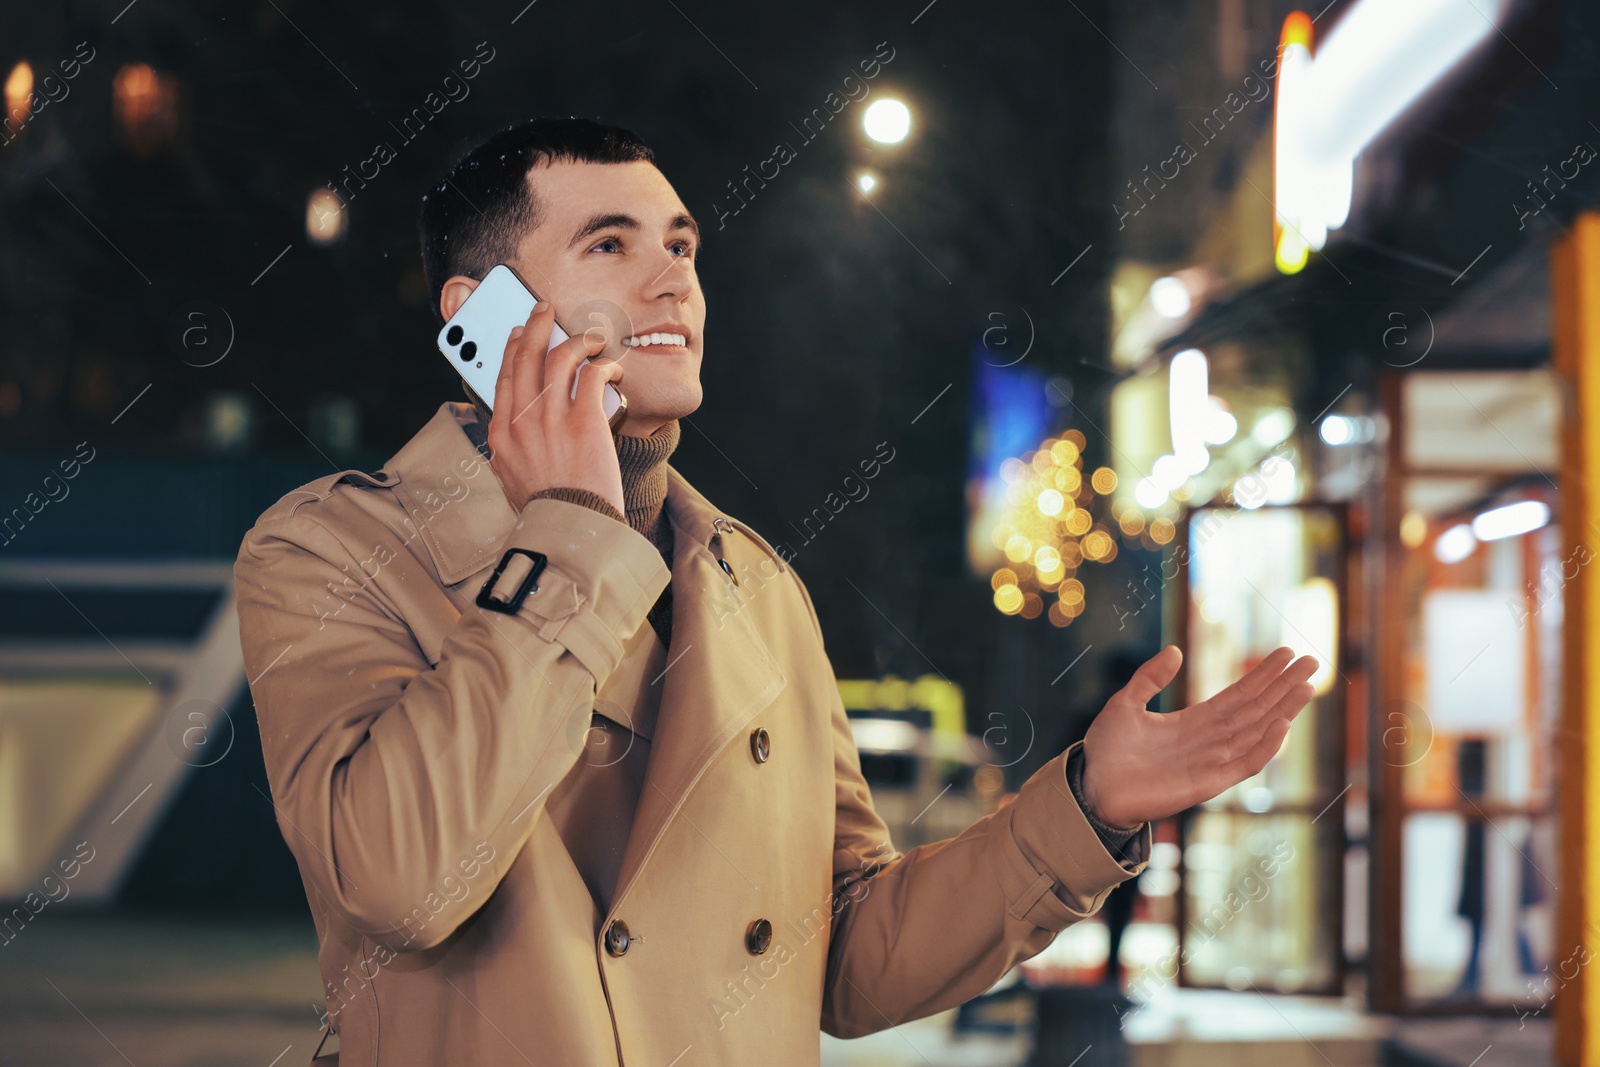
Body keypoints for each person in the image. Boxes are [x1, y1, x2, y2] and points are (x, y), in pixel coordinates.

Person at [232, 117, 1319, 1066]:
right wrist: (569, 528)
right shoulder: (333, 549)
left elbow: (842, 957)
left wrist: (1083, 807)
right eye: (610, 245)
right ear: (482, 314)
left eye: (682, 248)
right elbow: (401, 875)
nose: (672, 283)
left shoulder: (756, 586)